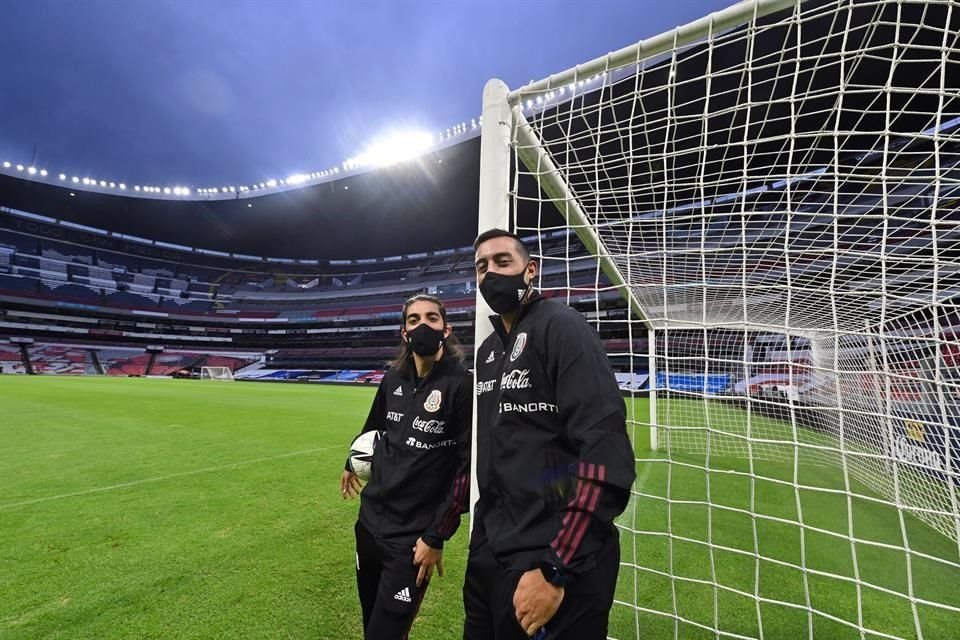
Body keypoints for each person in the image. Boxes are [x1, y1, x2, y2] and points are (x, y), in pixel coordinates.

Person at [464, 229, 636, 640]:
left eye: (502, 262)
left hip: (552, 563)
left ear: (530, 270)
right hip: (490, 559)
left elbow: (604, 451)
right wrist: (479, 547)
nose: (490, 274)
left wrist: (556, 565)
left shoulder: (563, 327)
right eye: (481, 267)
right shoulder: (488, 353)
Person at [341, 294, 472, 640]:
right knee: (372, 625)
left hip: (412, 541)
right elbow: (372, 428)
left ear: (446, 328)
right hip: (368, 527)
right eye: (414, 320)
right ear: (404, 332)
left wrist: (436, 535)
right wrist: (349, 463)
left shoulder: (462, 385)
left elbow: (466, 469)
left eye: (431, 318)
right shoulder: (392, 378)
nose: (423, 325)